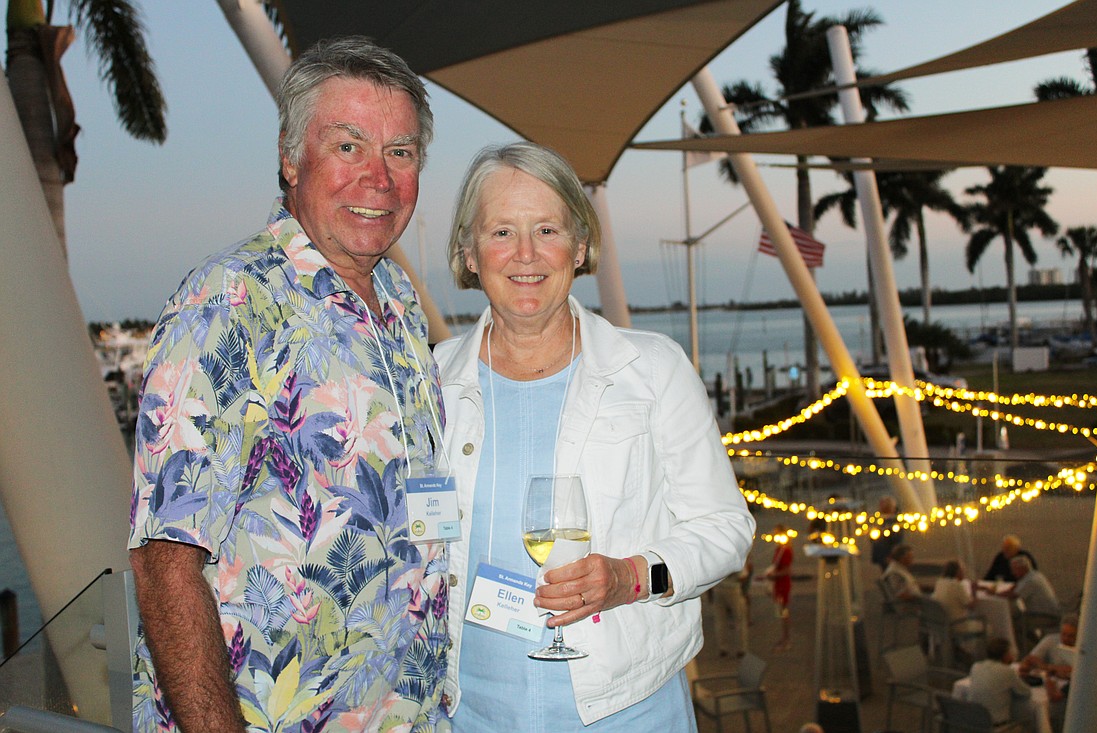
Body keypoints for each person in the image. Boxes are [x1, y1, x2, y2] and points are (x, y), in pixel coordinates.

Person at [128, 38, 449, 732]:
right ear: (289, 156)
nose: (379, 177)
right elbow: (164, 560)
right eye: (348, 146)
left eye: (400, 152)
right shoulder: (230, 301)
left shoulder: (396, 301)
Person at [433, 141, 755, 730]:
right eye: (501, 231)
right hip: (471, 715)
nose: (526, 254)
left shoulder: (652, 369)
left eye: (548, 229)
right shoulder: (429, 382)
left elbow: (726, 528)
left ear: (580, 247)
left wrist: (630, 578)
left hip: (628, 714)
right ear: (469, 252)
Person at [966, 637, 1032, 730]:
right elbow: (1026, 692)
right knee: (1029, 724)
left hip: (974, 726)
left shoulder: (975, 666)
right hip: (998, 728)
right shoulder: (1008, 672)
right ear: (1005, 655)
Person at [765, 524, 794, 651]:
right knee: (780, 612)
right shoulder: (780, 549)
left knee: (783, 612)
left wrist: (772, 575)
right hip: (778, 584)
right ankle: (784, 637)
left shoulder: (786, 550)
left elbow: (787, 570)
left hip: (782, 584)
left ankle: (786, 639)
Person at [870, 495, 904, 571]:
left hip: (889, 554)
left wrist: (892, 555)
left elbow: (897, 539)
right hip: (882, 553)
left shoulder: (894, 521)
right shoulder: (879, 520)